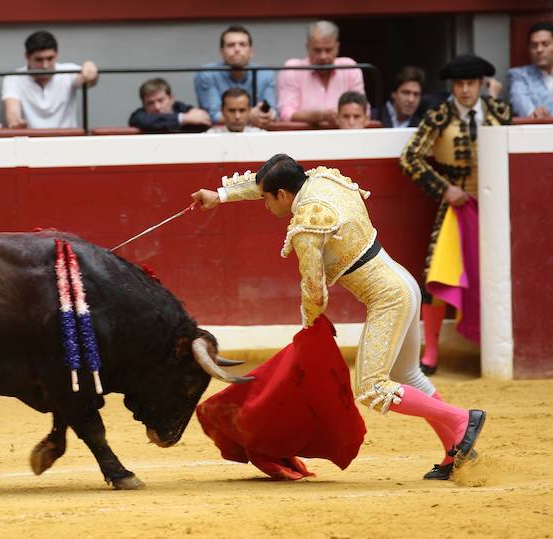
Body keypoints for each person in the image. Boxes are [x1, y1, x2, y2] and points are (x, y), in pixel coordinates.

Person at [190, 154, 487, 481]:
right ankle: (453, 451)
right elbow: (266, 183)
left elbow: (314, 289)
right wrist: (219, 196)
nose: (265, 204)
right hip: (404, 283)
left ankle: (461, 419)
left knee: (373, 389)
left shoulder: (306, 223)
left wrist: (310, 327)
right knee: (408, 374)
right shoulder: (321, 180)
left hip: (387, 297)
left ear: (284, 196)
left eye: (266, 198)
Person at [400, 54, 511, 375]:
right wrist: (444, 188)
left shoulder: (500, 113)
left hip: (498, 210)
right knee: (440, 275)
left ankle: (492, 346)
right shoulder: (437, 117)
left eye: (471, 84)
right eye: (460, 84)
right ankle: (431, 352)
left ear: (482, 85)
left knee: (498, 276)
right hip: (455, 207)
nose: (465, 90)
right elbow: (409, 159)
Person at [2, 30, 99, 128]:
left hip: (67, 139)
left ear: (57, 55)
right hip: (31, 141)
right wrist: (15, 122)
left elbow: (88, 80)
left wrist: (90, 69)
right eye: (39, 60)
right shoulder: (14, 78)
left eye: (50, 58)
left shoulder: (68, 71)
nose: (45, 65)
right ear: (27, 57)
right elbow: (12, 111)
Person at [277, 20, 365, 126]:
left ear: (337, 48)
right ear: (307, 47)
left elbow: (363, 110)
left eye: (328, 50)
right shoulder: (293, 69)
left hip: (344, 137)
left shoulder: (350, 67)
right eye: (317, 50)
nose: (323, 57)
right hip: (302, 138)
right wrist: (322, 116)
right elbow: (286, 114)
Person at [194, 25, 275, 129]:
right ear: (221, 52)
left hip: (257, 134)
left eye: (242, 44)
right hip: (219, 136)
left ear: (251, 51)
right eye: (231, 45)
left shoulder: (265, 74)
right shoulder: (207, 73)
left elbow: (274, 112)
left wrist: (267, 114)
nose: (237, 49)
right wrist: (249, 116)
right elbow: (212, 115)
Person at [128, 78, 211, 133]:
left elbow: (203, 119)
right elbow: (148, 122)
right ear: (143, 105)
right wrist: (184, 119)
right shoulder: (138, 117)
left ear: (171, 99)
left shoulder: (181, 108)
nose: (157, 107)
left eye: (161, 100)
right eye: (150, 103)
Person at [507, 21, 553, 118]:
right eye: (534, 45)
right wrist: (533, 113)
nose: (539, 50)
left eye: (545, 44)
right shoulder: (519, 75)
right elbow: (520, 101)